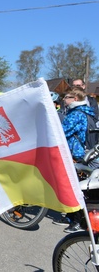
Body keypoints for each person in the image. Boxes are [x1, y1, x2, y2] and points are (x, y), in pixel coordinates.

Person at [53, 87, 96, 233]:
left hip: (76, 155)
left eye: (67, 97)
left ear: (75, 99)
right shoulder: (87, 111)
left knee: (73, 188)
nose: (64, 100)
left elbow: (60, 132)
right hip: (85, 153)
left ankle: (78, 221)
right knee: (75, 186)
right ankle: (72, 217)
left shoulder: (75, 115)